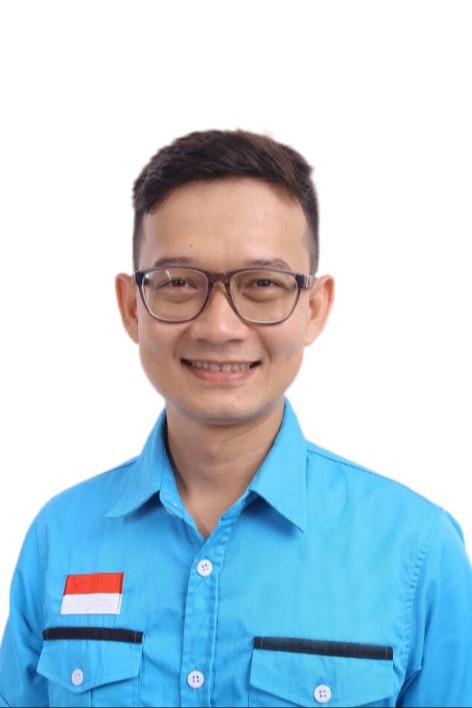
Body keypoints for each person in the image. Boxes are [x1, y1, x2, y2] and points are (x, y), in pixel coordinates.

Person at [0, 129, 471, 708]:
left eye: (263, 285)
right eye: (178, 283)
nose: (219, 327)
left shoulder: (419, 550)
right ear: (131, 307)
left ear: (314, 307)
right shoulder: (60, 537)